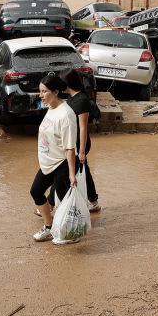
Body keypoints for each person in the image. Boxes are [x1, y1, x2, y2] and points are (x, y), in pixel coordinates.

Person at [30, 73, 78, 244]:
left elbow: (70, 148)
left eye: (44, 92)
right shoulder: (51, 108)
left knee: (64, 200)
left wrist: (72, 174)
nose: (41, 95)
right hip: (48, 162)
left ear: (56, 92)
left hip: (62, 163)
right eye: (40, 91)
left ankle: (71, 234)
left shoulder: (66, 115)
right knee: (36, 191)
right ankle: (49, 227)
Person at [43, 68, 99, 212]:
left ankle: (49, 205)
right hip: (70, 142)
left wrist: (81, 152)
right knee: (83, 171)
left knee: (60, 171)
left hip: (78, 144)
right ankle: (93, 201)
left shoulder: (81, 100)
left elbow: (83, 128)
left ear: (68, 83)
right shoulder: (72, 98)